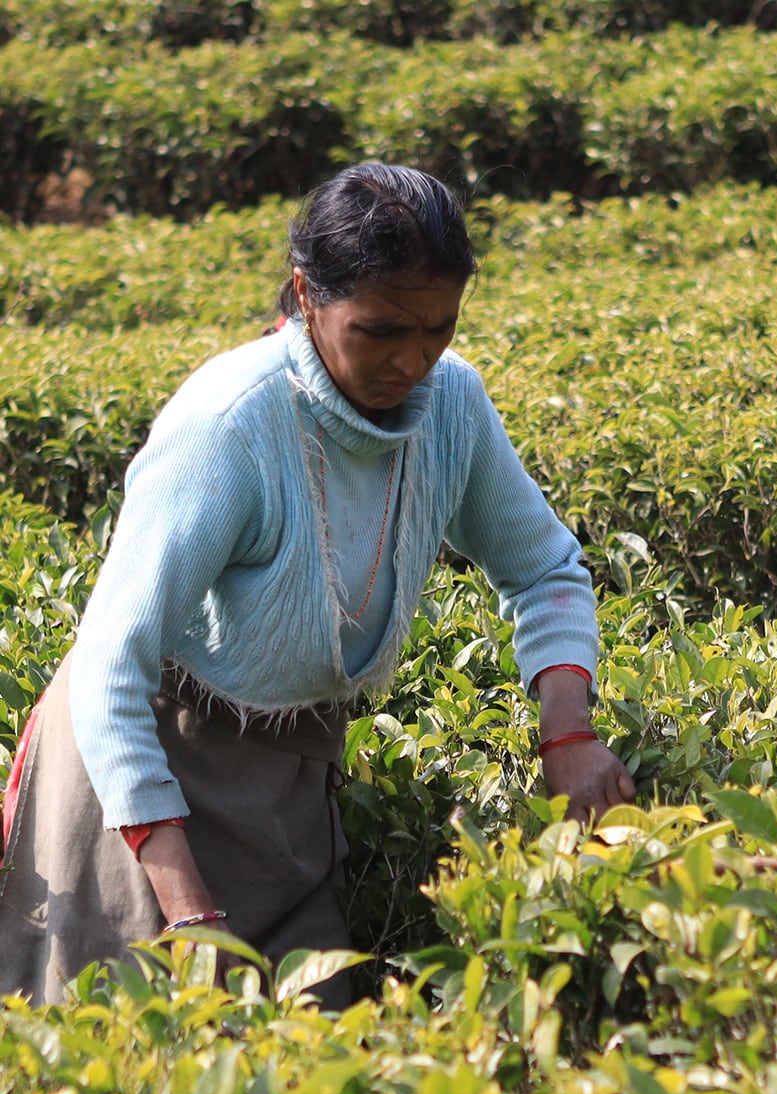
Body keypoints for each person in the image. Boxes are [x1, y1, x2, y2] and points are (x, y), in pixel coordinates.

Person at [0, 162, 635, 1006]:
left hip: (284, 782)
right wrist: (187, 909)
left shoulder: (452, 405)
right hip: (140, 775)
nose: (411, 361)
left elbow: (546, 570)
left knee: (312, 1049)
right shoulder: (230, 421)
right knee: (146, 1053)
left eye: (438, 329)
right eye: (379, 330)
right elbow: (114, 663)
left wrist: (568, 732)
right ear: (306, 294)